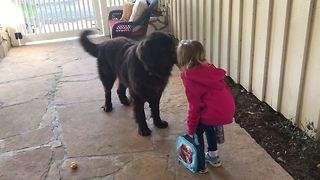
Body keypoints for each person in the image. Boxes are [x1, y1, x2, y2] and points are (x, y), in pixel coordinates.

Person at [177, 40, 235, 173]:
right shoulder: (211, 69)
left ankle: (200, 165)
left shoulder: (189, 78)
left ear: (181, 59)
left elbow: (195, 106)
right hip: (226, 110)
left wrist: (191, 128)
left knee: (198, 131)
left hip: (213, 113)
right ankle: (214, 157)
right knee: (209, 127)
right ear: (201, 54)